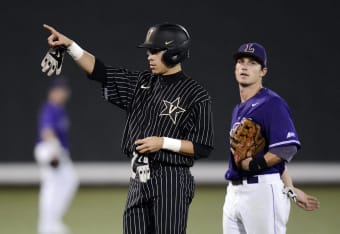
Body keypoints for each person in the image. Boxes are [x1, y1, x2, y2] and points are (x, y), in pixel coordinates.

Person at [41, 23, 214, 234]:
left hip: (172, 181)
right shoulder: (141, 83)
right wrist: (70, 47)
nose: (149, 56)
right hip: (138, 180)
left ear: (174, 53)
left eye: (155, 51)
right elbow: (101, 72)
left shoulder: (196, 94)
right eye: (148, 51)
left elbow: (203, 146)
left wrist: (163, 142)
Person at [222, 42, 319, 234]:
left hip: (262, 193)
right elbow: (277, 162)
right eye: (241, 61)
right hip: (234, 193)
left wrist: (254, 164)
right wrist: (291, 190)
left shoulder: (271, 103)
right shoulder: (238, 109)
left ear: (263, 71)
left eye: (252, 63)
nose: (244, 66)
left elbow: (286, 148)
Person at [34, 78, 79, 234]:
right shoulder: (50, 108)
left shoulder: (59, 109)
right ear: (52, 92)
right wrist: (54, 151)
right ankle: (46, 226)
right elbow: (46, 132)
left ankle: (52, 222)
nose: (62, 93)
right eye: (59, 90)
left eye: (64, 90)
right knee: (51, 186)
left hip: (58, 150)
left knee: (69, 180)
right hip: (49, 149)